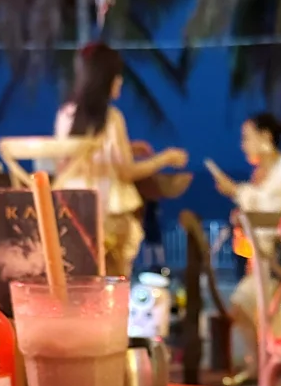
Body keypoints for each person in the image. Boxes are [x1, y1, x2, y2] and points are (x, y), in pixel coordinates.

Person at [53, 43, 188, 277]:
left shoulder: (66, 115)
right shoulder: (112, 117)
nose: (121, 81)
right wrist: (165, 158)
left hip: (73, 212)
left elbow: (76, 156)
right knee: (113, 283)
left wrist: (129, 147)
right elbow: (126, 172)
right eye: (117, 76)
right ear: (105, 79)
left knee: (81, 282)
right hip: (109, 215)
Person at [205, 114, 281, 383]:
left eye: (247, 137)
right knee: (243, 307)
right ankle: (260, 365)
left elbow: (279, 210)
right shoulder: (263, 174)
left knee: (242, 304)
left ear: (265, 136)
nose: (243, 145)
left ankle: (264, 367)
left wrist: (237, 191)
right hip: (266, 263)